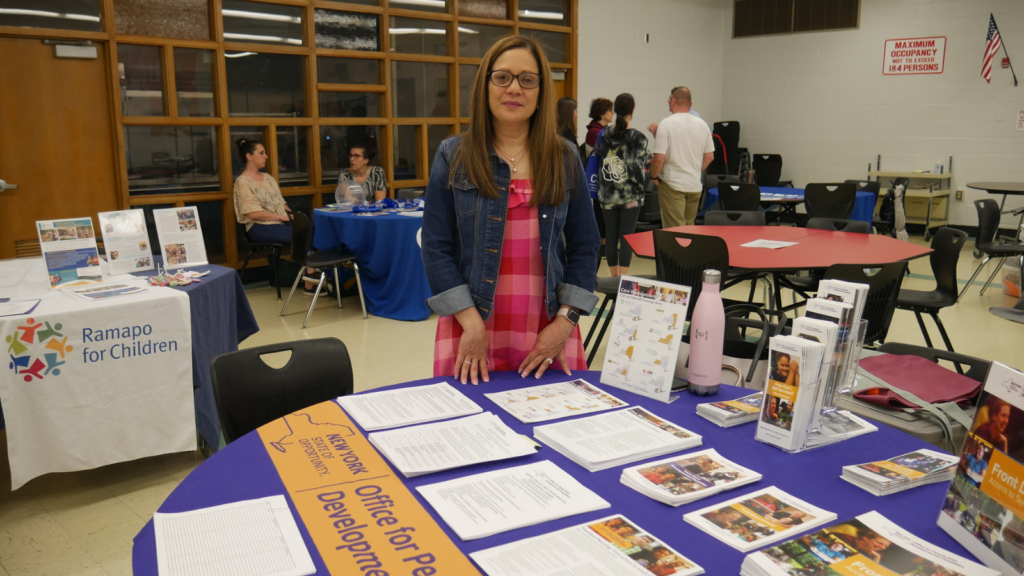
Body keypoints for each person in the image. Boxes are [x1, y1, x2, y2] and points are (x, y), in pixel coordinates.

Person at [421, 35, 600, 385]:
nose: (514, 88)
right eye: (502, 77)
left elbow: (586, 246)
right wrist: (471, 324)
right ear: (485, 86)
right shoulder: (453, 155)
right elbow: (435, 247)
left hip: (547, 326)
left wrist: (565, 323)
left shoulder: (564, 158)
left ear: (541, 92)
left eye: (527, 79)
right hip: (470, 323)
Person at [233, 138, 318, 294]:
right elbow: (253, 213)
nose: (266, 156)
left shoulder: (269, 178)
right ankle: (309, 279)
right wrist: (283, 218)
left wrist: (292, 215)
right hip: (258, 226)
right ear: (249, 156)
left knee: (309, 227)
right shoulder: (242, 182)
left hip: (279, 221)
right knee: (300, 235)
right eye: (261, 153)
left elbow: (281, 203)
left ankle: (309, 273)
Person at [595, 93, 651, 277]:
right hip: (631, 197)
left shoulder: (603, 136)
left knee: (610, 236)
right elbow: (647, 161)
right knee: (627, 237)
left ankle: (613, 277)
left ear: (615, 110)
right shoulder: (640, 138)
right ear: (632, 111)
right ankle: (623, 279)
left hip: (608, 194)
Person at [648, 87, 715, 227]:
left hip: (672, 184)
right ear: (690, 104)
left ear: (672, 101)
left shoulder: (666, 124)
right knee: (689, 228)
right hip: (694, 185)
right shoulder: (703, 125)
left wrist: (654, 176)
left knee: (674, 230)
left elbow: (659, 158)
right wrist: (695, 169)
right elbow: (709, 157)